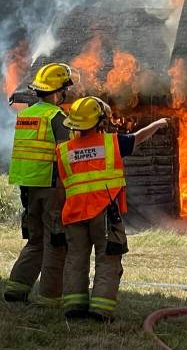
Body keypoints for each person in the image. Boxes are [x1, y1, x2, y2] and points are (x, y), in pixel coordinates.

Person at [56, 96, 168, 320]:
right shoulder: (112, 143)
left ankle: (73, 307)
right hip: (105, 214)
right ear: (99, 122)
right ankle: (100, 309)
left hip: (74, 213)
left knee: (75, 259)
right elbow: (138, 137)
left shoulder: (63, 150)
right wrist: (158, 124)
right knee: (108, 258)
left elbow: (61, 183)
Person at [3, 62, 74, 305]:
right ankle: (50, 296)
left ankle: (16, 286)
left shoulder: (26, 115)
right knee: (56, 240)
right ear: (58, 92)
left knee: (35, 239)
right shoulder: (56, 117)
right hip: (51, 186)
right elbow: (69, 153)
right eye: (64, 89)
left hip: (28, 188)